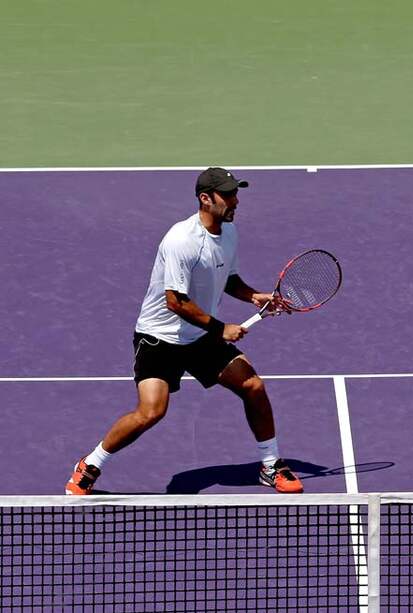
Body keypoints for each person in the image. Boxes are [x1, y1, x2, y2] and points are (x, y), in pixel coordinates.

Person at [66, 167, 303, 495]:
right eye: (228, 194)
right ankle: (90, 463)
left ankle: (270, 464)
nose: (235, 200)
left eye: (236, 193)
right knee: (151, 411)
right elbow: (175, 301)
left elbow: (228, 277)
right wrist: (221, 329)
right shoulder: (181, 240)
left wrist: (254, 296)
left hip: (200, 336)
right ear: (205, 199)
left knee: (253, 386)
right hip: (159, 337)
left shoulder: (229, 233)